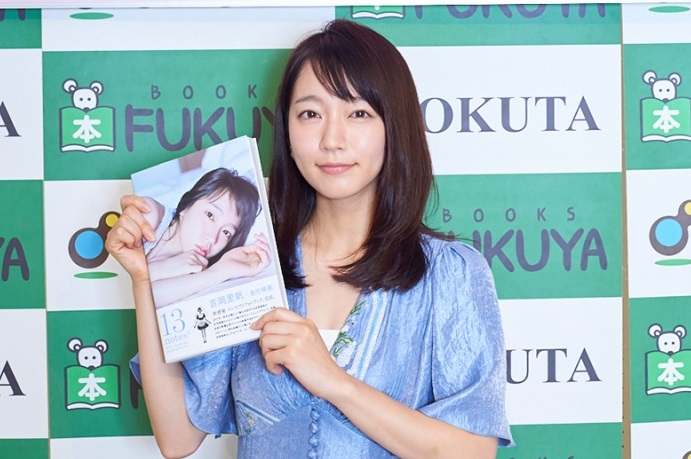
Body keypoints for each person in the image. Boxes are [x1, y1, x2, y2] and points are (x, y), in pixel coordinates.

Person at [105, 19, 513, 458]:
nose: (332, 140)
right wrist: (146, 280)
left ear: (394, 126)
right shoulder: (251, 265)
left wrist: (332, 380)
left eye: (358, 113)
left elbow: (473, 452)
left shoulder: (450, 274)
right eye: (310, 114)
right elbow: (178, 437)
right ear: (287, 131)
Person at [139, 167, 271, 307]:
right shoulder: (149, 216)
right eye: (210, 215)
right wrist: (162, 269)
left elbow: (148, 300)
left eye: (226, 232)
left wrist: (222, 270)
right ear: (186, 206)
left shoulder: (194, 268)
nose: (212, 239)